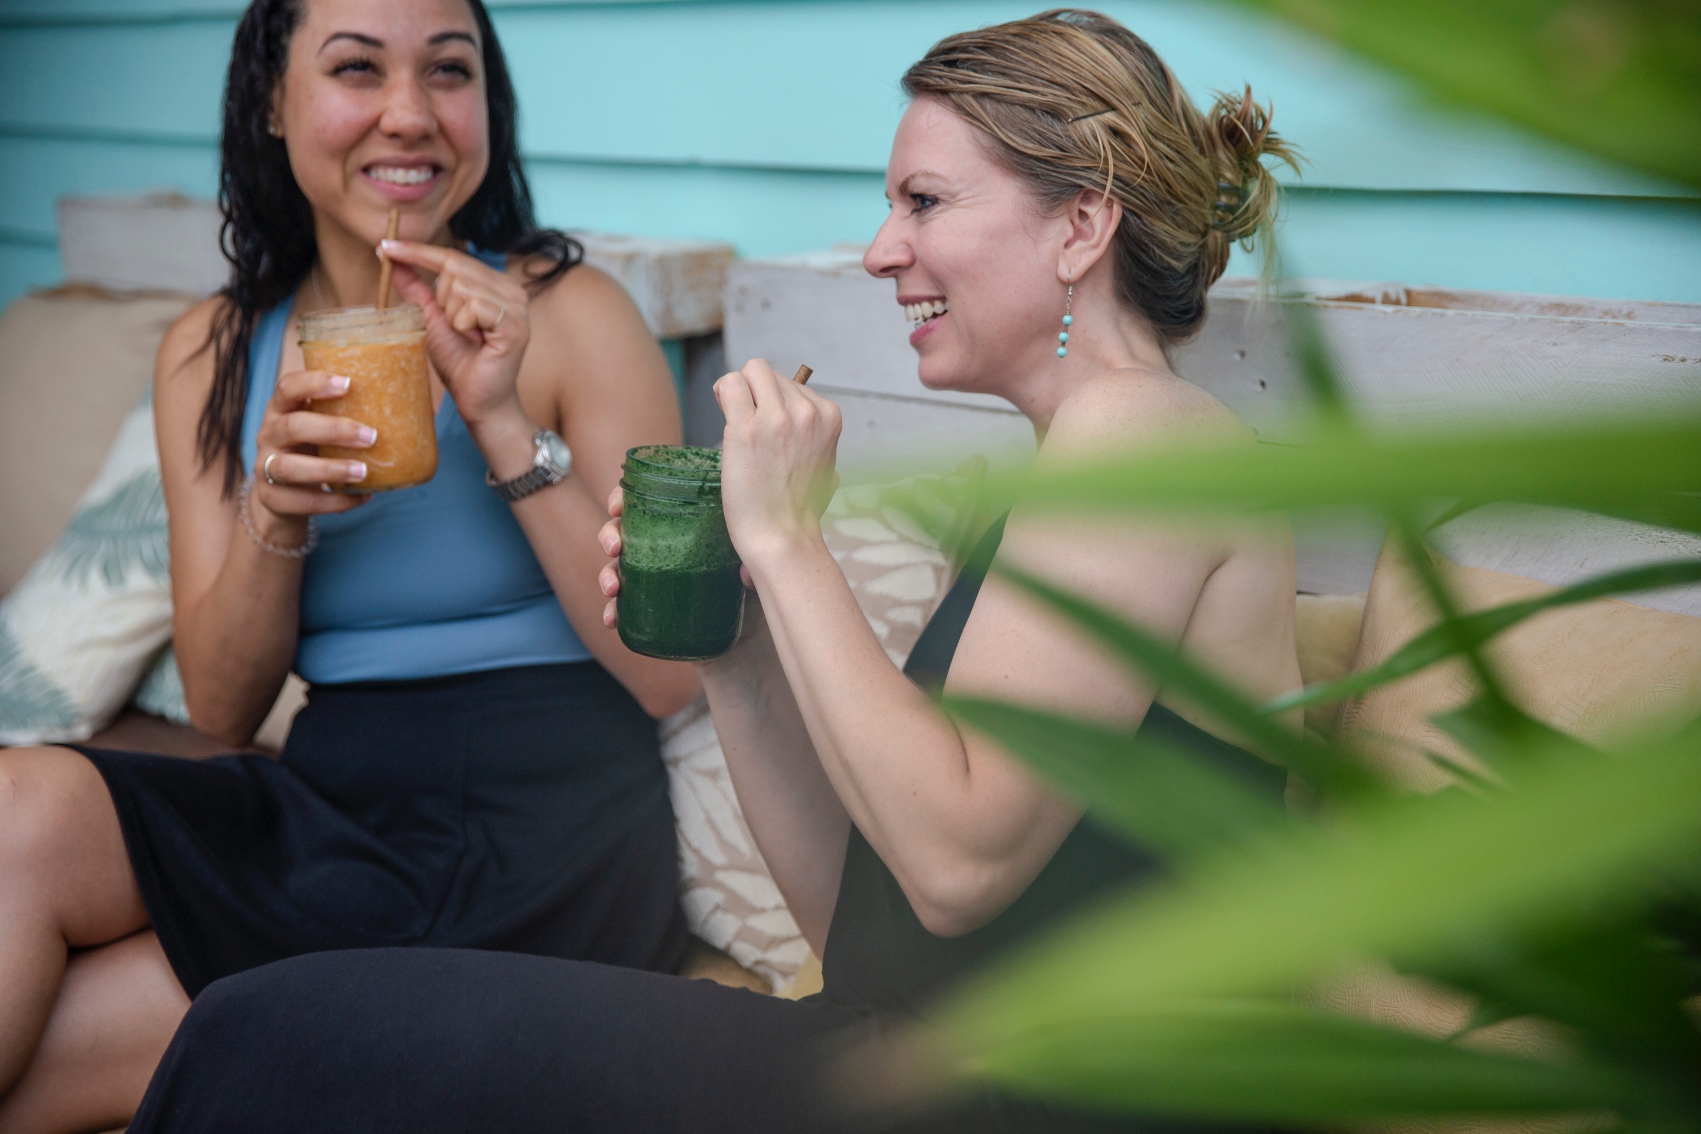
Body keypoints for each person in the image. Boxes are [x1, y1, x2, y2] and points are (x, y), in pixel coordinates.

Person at [116, 9, 1304, 1132]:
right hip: (904, 1054)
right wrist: (734, 650)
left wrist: (788, 545)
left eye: (924, 201)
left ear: (1080, 227)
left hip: (1037, 1102)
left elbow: (955, 864)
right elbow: (864, 927)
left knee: (273, 1039)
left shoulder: (1149, 434)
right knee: (260, 1036)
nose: (885, 250)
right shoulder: (1049, 479)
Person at [0, 0, 702, 1130]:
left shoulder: (572, 314)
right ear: (274, 103)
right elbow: (226, 708)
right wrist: (275, 511)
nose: (410, 114)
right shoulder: (214, 352)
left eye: (449, 70)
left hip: (542, 836)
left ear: (489, 103)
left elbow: (672, 673)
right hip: (333, 806)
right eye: (357, 69)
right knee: (15, 804)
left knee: (50, 1065)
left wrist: (502, 420)